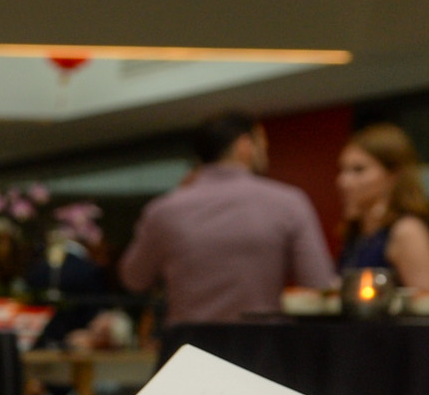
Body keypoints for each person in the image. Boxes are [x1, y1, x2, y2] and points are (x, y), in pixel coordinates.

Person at [116, 109, 337, 324]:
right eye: (263, 145)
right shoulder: (289, 202)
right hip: (263, 346)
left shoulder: (164, 209)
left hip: (187, 347)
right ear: (245, 146)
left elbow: (134, 279)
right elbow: (317, 282)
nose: (266, 153)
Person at [334, 123, 429, 290]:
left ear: (393, 174)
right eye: (343, 170)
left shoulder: (407, 230)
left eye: (358, 170)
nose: (344, 181)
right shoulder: (358, 231)